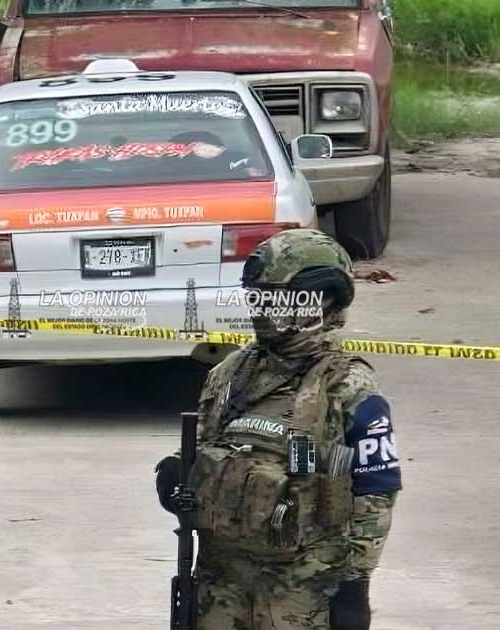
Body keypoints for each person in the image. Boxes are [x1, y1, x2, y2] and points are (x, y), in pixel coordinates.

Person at [155, 229, 401, 630]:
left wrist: (355, 585)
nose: (263, 309)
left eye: (276, 298)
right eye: (258, 297)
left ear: (323, 299)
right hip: (220, 585)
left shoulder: (346, 386)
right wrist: (177, 471)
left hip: (302, 592)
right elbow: (206, 444)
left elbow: (374, 492)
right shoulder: (230, 374)